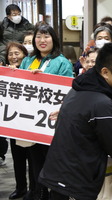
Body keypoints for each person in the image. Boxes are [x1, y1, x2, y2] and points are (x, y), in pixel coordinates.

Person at [39, 43, 112, 200]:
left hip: (58, 172)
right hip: (76, 179)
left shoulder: (77, 90)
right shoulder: (101, 103)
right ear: (105, 72)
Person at [18, 24, 73, 200]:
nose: (42, 41)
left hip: (53, 121)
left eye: (46, 36)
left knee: (54, 163)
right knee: (35, 162)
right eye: (39, 37)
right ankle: (38, 194)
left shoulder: (62, 61)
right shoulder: (28, 60)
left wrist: (43, 78)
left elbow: (67, 90)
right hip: (32, 121)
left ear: (54, 39)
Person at [5, 42, 36, 200]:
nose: (13, 57)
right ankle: (20, 188)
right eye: (10, 54)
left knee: (32, 158)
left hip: (30, 122)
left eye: (17, 53)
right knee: (17, 158)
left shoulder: (32, 70)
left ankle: (33, 189)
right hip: (13, 123)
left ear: (24, 55)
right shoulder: (5, 73)